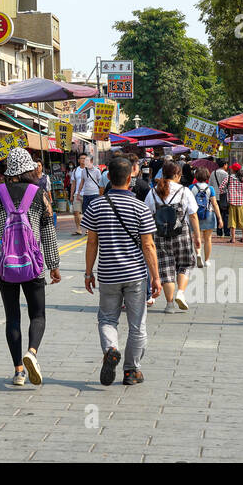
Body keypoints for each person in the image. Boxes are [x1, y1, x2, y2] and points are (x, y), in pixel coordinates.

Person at [0, 147, 62, 386]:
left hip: (4, 266)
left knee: (12, 317)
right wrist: (54, 264)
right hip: (33, 265)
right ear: (29, 169)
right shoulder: (39, 194)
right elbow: (48, 232)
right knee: (38, 315)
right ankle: (31, 352)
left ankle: (19, 371)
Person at [83, 155, 160, 386]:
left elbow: (91, 242)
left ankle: (111, 349)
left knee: (107, 319)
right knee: (137, 324)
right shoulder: (140, 207)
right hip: (135, 274)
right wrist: (156, 277)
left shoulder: (96, 205)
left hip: (108, 273)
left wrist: (88, 273)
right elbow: (148, 245)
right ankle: (131, 371)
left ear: (108, 177)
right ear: (130, 178)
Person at [145, 161, 200, 312]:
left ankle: (170, 305)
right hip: (181, 234)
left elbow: (147, 215)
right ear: (177, 175)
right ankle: (180, 293)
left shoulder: (153, 192)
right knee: (186, 264)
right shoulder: (184, 191)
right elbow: (193, 215)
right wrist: (197, 236)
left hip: (160, 235)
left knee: (166, 268)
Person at [190, 167, 223, 267]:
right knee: (208, 239)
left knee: (197, 237)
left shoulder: (191, 187)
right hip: (208, 214)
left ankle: (198, 254)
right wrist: (219, 218)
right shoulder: (210, 189)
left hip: (195, 215)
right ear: (207, 176)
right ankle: (207, 260)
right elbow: (215, 204)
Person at [72, 153, 104, 235]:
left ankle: (92, 229)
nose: (85, 162)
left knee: (94, 212)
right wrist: (78, 193)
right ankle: (85, 229)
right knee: (86, 213)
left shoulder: (97, 171)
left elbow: (100, 183)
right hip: (86, 194)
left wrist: (101, 195)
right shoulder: (83, 171)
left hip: (95, 194)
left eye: (87, 160)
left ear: (91, 161)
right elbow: (81, 183)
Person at [223, 162, 243, 243]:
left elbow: (221, 187)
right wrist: (242, 193)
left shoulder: (229, 178)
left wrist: (227, 192)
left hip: (232, 202)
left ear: (233, 170)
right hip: (241, 202)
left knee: (232, 220)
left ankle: (233, 239)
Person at [213, 158, 231, 240]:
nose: (227, 166)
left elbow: (210, 185)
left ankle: (219, 232)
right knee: (226, 215)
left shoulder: (213, 173)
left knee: (218, 215)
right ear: (224, 165)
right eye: (226, 165)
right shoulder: (226, 174)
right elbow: (229, 186)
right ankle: (227, 232)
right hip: (224, 197)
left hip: (215, 197)